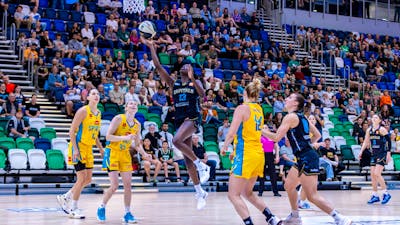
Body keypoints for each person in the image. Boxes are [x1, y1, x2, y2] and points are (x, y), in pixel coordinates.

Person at [142, 37, 210, 210]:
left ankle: (202, 165)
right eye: (185, 65)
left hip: (192, 119)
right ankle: (199, 192)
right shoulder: (173, 83)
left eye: (189, 65)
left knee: (175, 141)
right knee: (187, 161)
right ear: (180, 69)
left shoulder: (196, 82)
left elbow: (203, 95)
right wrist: (151, 47)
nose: (186, 67)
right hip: (180, 121)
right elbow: (157, 67)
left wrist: (194, 78)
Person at [262, 93, 352, 225]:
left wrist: (259, 130)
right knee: (288, 185)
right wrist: (309, 145)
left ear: (295, 103)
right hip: (303, 157)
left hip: (307, 158)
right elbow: (317, 134)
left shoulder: (290, 117)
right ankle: (295, 215)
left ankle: (340, 218)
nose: (286, 99)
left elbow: (276, 137)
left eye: (290, 98)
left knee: (311, 196)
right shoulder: (302, 117)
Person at [220, 79, 282, 225]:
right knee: (247, 193)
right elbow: (251, 132)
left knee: (233, 195)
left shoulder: (242, 108)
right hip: (257, 154)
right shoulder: (259, 109)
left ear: (245, 93)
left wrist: (224, 147)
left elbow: (232, 132)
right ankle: (271, 218)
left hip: (246, 155)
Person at [97, 100, 151, 223]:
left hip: (125, 154)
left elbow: (137, 144)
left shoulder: (137, 124)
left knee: (128, 186)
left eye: (136, 105)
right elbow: (108, 137)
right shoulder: (118, 119)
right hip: (112, 153)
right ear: (126, 107)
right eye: (131, 104)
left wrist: (144, 154)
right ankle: (102, 207)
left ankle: (127, 213)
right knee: (115, 185)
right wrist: (124, 138)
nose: (133, 106)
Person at [57, 89, 104, 219]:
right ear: (88, 97)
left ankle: (65, 197)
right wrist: (76, 149)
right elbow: (71, 131)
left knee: (88, 179)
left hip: (89, 148)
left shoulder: (98, 113)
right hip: (78, 147)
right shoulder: (83, 111)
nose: (96, 96)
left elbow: (95, 135)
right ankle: (74, 208)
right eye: (93, 94)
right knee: (81, 178)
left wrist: (100, 149)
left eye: (98, 94)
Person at [358, 114, 392, 205]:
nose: (374, 118)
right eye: (373, 117)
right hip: (373, 154)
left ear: (380, 120)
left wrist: (389, 153)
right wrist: (361, 152)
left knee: (377, 173)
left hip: (382, 153)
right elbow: (366, 141)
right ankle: (375, 195)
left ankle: (386, 193)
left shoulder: (382, 129)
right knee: (372, 175)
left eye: (376, 117)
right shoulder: (369, 130)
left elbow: (388, 141)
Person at [258, 130, 281, 197]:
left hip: (270, 156)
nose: (264, 129)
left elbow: (276, 147)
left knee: (273, 174)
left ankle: (275, 192)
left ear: (268, 130)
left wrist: (277, 156)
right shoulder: (260, 137)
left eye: (266, 128)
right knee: (262, 174)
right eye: (263, 128)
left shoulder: (272, 137)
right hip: (262, 156)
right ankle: (260, 191)